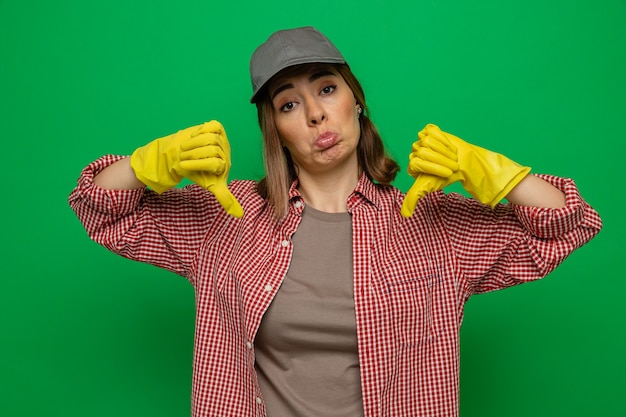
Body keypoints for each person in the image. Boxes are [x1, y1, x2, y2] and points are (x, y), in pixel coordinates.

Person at [69, 26, 602, 417]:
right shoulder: (227, 218)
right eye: (288, 104)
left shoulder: (431, 225)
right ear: (275, 131)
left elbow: (569, 225)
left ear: (356, 102)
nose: (316, 114)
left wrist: (502, 176)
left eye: (326, 88)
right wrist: (145, 164)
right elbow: (98, 206)